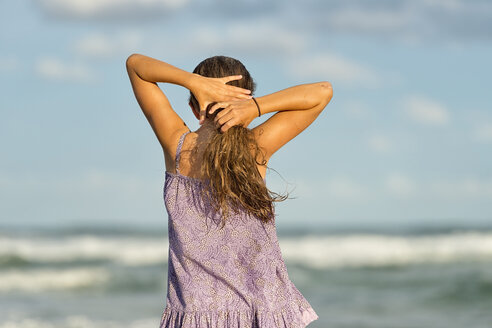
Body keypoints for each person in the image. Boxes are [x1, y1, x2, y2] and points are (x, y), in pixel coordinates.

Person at [126, 53, 333, 328]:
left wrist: (193, 82)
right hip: (260, 312)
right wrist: (255, 108)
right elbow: (322, 91)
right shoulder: (255, 146)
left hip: (195, 316)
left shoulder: (177, 146)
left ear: (194, 107)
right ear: (245, 100)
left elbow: (135, 65)